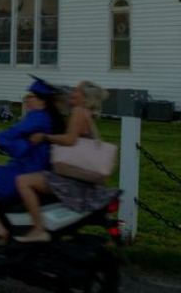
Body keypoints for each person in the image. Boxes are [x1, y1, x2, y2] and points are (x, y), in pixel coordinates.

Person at [13, 81, 117, 244]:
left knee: (23, 181)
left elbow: (69, 140)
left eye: (76, 91)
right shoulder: (86, 113)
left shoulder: (79, 111)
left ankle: (38, 229)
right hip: (79, 177)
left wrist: (45, 137)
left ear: (84, 97)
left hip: (71, 179)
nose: (72, 93)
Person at [0, 79, 65, 242]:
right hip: (24, 166)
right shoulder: (43, 117)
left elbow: (12, 133)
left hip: (27, 170)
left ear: (42, 101)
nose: (27, 99)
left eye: (30, 96)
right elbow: (20, 143)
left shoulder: (39, 117)